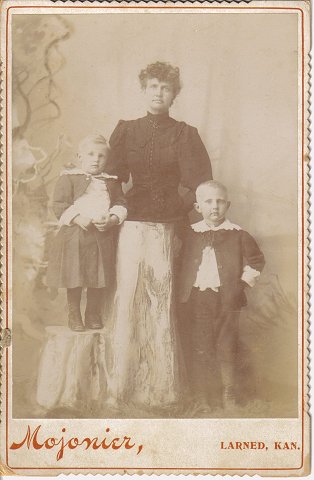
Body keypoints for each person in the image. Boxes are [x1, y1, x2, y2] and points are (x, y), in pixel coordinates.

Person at [107, 62, 212, 408]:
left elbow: (199, 184)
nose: (158, 93)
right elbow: (111, 178)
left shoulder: (185, 134)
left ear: (174, 95)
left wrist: (178, 208)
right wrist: (119, 206)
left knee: (159, 301)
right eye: (152, 86)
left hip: (168, 226)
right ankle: (120, 385)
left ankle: (161, 388)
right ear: (143, 90)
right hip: (132, 222)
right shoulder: (126, 130)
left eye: (165, 88)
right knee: (128, 297)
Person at [179, 180, 265, 412]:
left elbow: (257, 262)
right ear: (198, 207)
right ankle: (202, 395)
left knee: (226, 344)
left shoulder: (238, 234)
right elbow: (178, 262)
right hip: (196, 299)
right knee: (200, 345)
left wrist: (241, 285)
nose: (214, 207)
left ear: (228, 205)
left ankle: (229, 392)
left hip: (228, 299)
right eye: (208, 202)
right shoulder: (190, 234)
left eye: (219, 201)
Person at [46, 134, 127, 332]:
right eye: (90, 154)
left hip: (101, 236)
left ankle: (93, 313)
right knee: (74, 275)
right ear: (79, 156)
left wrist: (112, 219)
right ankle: (74, 314)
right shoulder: (69, 177)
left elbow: (120, 203)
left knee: (97, 277)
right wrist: (76, 217)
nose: (95, 159)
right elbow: (59, 204)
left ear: (107, 160)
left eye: (101, 156)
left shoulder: (111, 182)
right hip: (75, 236)